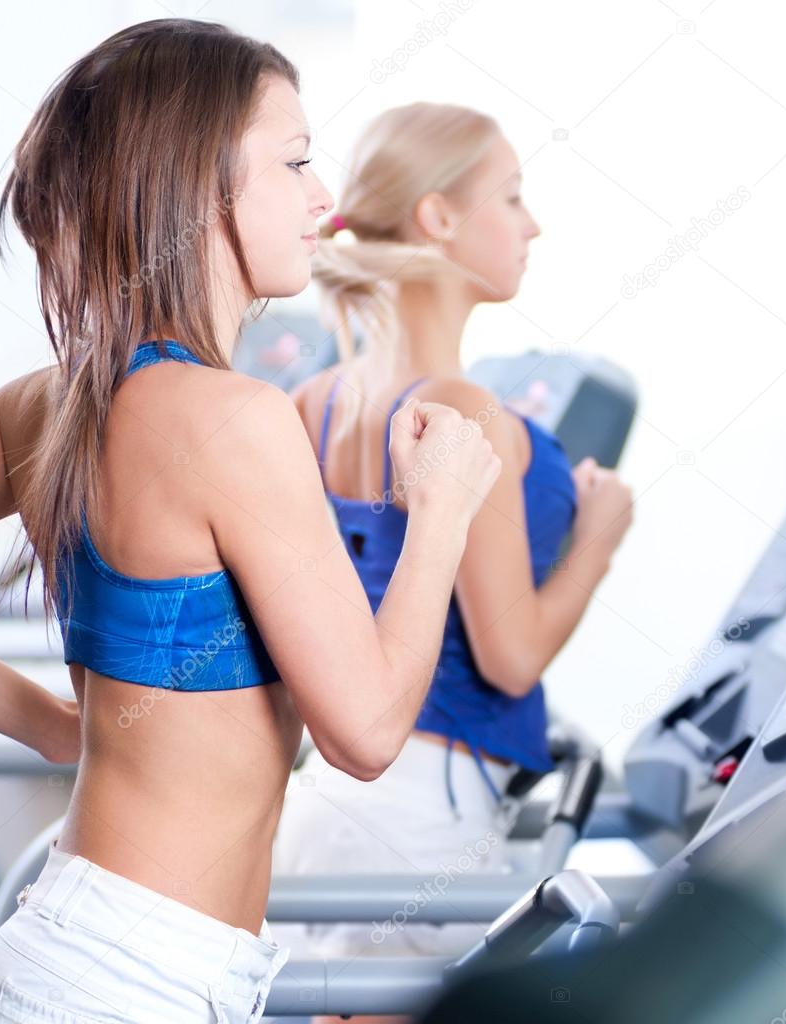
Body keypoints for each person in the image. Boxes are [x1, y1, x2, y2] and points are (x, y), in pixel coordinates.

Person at [0, 20, 501, 1024]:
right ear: (201, 185)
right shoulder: (237, 422)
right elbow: (368, 732)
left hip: (89, 954)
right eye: (294, 162)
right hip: (129, 981)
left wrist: (50, 728)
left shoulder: (46, 401)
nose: (323, 196)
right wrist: (443, 508)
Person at [272, 101, 633, 1024]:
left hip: (326, 812)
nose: (532, 224)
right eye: (511, 197)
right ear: (436, 217)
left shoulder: (313, 402)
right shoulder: (461, 407)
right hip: (425, 819)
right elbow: (509, 655)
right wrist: (596, 538)